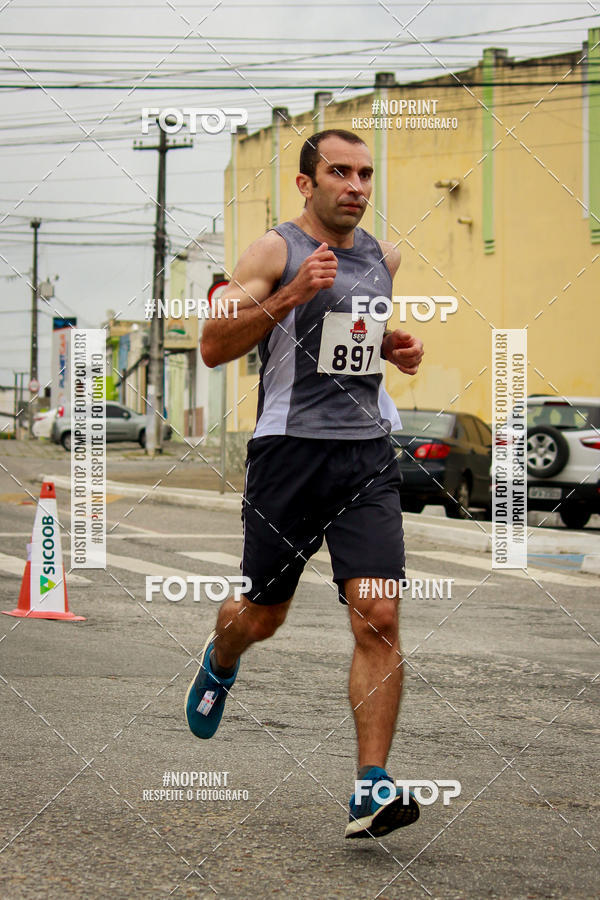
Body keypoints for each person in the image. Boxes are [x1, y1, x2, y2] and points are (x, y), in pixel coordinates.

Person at [185, 129, 424, 839]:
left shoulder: (385, 257)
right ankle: (222, 655)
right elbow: (212, 345)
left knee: (378, 616)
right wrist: (291, 291)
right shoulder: (273, 251)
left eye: (365, 174)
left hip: (367, 455)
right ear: (306, 183)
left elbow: (349, 334)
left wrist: (392, 346)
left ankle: (370, 787)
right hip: (289, 455)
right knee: (263, 615)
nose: (356, 185)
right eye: (339, 172)